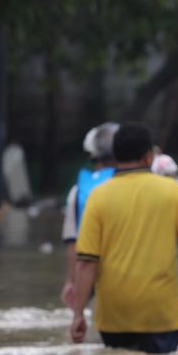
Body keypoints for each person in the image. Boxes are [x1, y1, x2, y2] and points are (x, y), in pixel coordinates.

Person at [68, 122, 178, 355]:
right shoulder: (172, 191)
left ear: (116, 156)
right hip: (160, 313)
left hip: (113, 315)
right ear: (149, 157)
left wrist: (78, 314)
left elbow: (86, 262)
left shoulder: (98, 197)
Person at [60, 122, 119, 307]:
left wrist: (71, 282)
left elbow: (73, 243)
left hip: (93, 275)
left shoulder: (78, 192)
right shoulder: (138, 186)